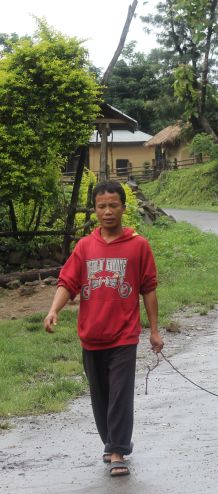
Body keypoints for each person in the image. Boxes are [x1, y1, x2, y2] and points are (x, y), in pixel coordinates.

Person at [44, 181, 163, 478]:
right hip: (91, 335)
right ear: (95, 210)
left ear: (124, 207)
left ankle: (118, 450)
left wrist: (154, 331)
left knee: (120, 394)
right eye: (101, 206)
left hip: (124, 335)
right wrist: (53, 310)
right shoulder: (85, 246)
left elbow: (148, 289)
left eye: (113, 205)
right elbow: (68, 282)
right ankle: (110, 443)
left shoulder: (138, 246)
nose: (108, 211)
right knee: (100, 395)